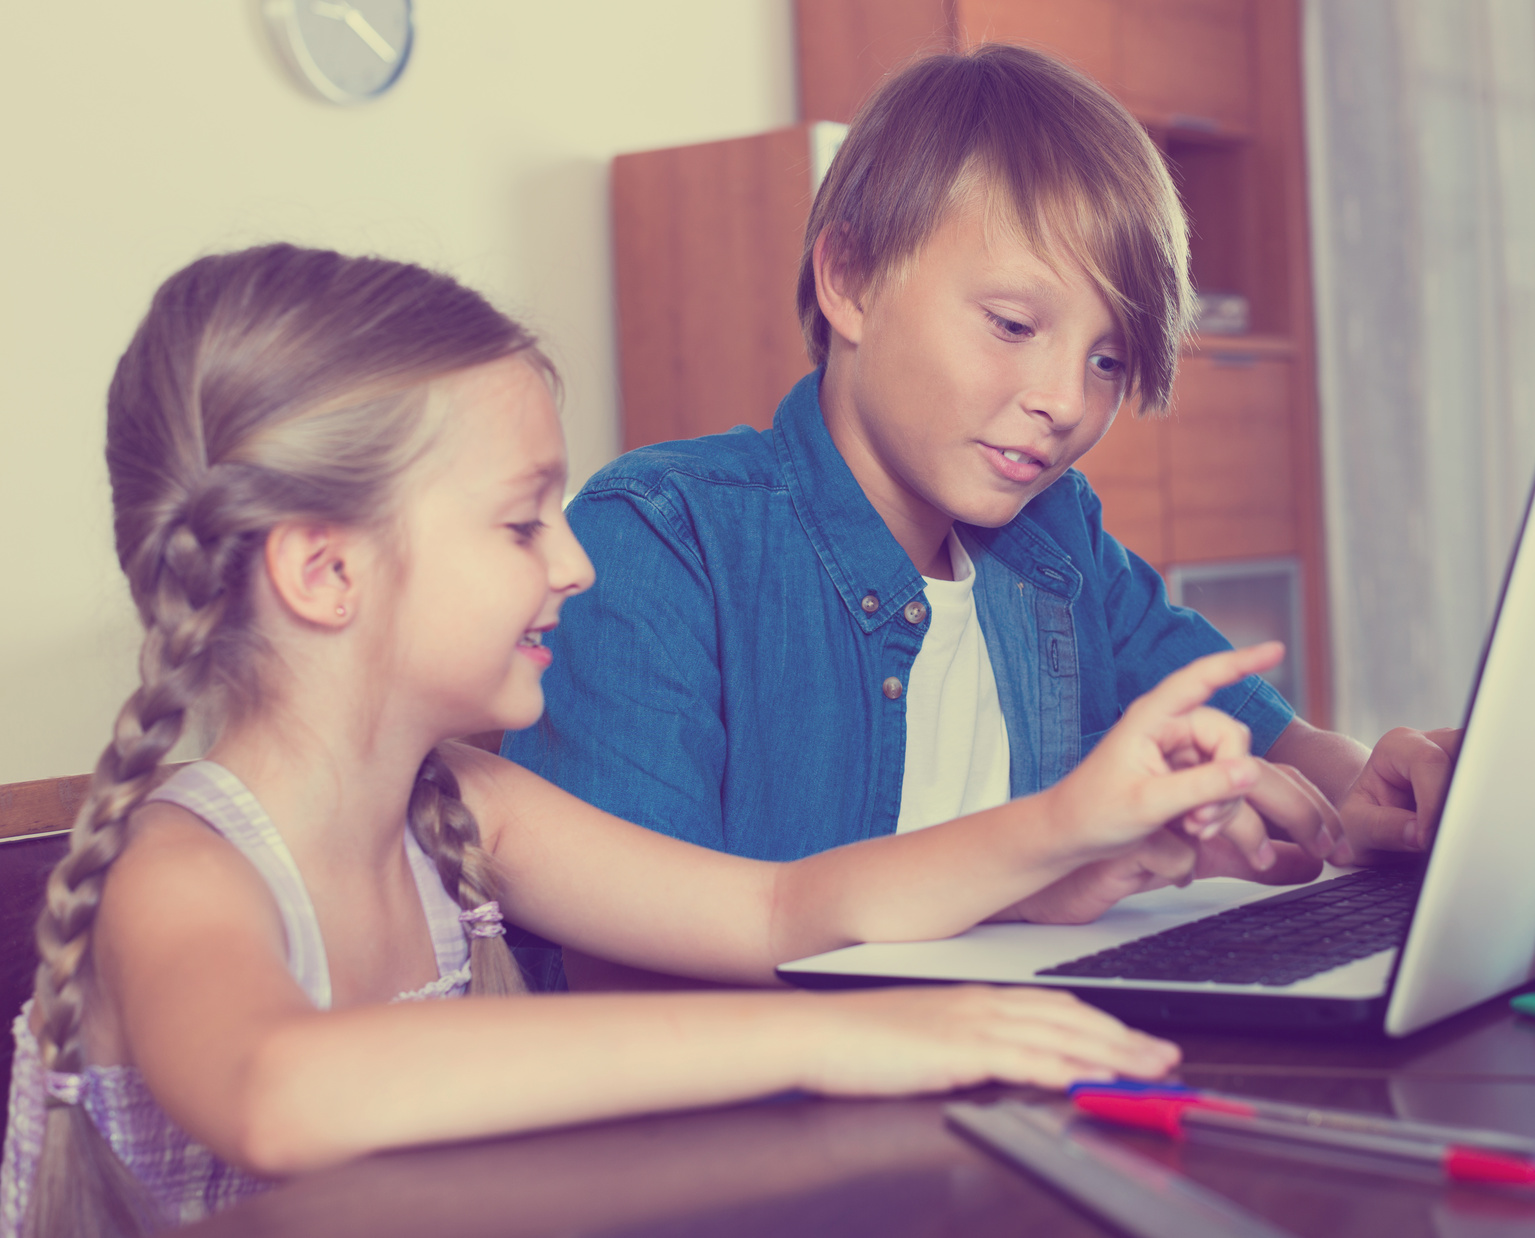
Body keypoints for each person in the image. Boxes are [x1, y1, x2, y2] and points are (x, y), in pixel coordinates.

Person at [2, 243, 1284, 1237]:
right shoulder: (181, 869)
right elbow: (279, 1089)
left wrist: (1068, 831)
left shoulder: (468, 809)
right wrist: (850, 1036)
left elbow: (780, 909)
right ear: (323, 569)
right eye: (521, 524)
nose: (572, 560)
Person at [508, 44, 1459, 948]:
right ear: (850, 280)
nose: (1063, 401)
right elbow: (623, 962)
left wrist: (1364, 786)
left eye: (1107, 361)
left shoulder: (1057, 538)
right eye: (1011, 324)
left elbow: (1276, 743)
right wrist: (1028, 882)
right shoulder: (664, 541)